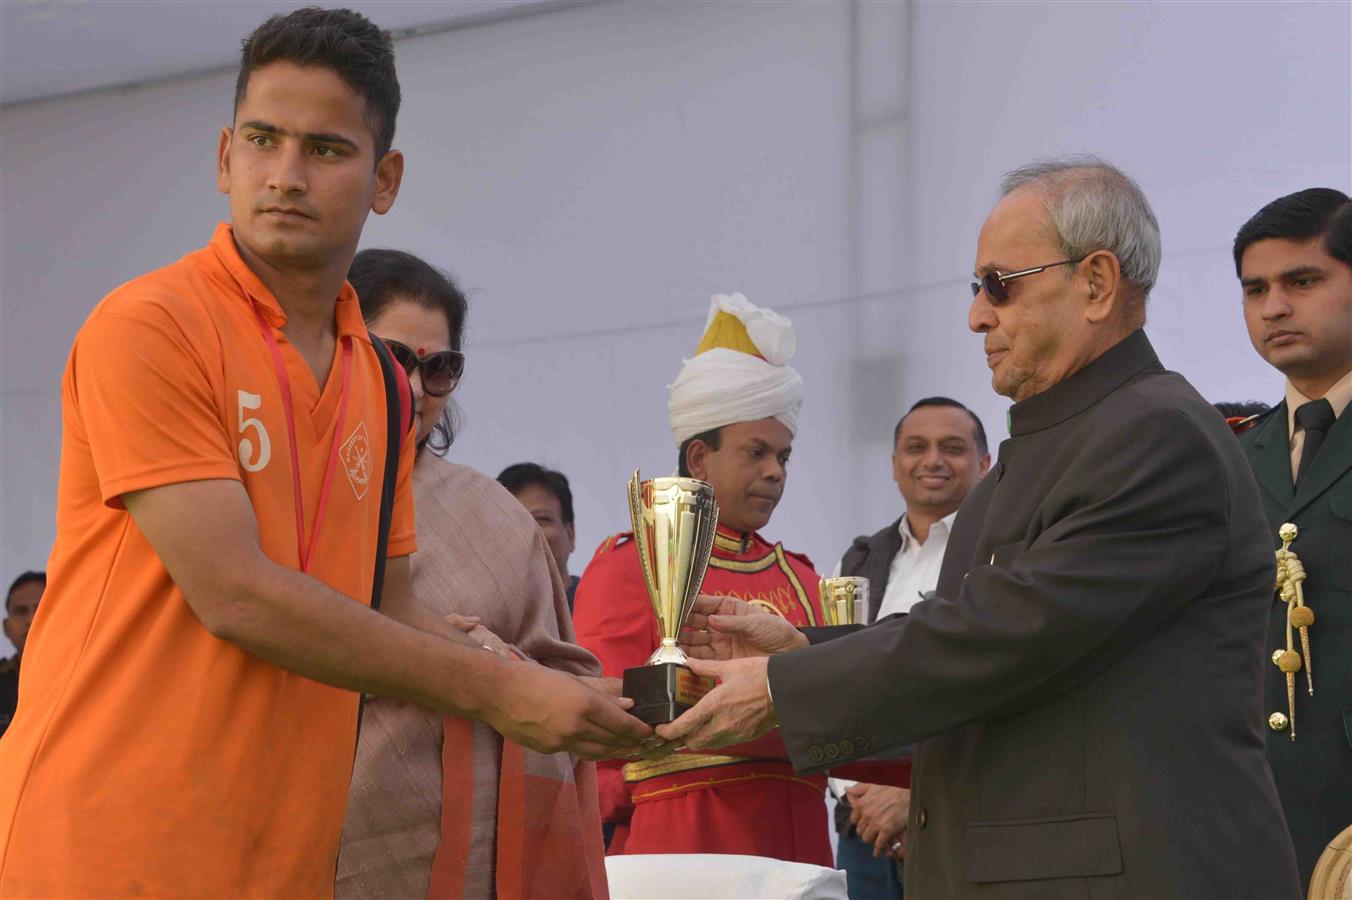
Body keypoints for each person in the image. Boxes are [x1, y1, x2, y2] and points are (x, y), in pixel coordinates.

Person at [0, 10, 647, 896]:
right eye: (263, 141)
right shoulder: (153, 326)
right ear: (225, 157)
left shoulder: (379, 383)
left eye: (326, 150)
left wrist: (554, 689)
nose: (286, 177)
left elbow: (389, 603)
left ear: (385, 179)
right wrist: (500, 695)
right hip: (106, 845)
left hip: (286, 858)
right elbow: (236, 593)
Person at [660, 157, 1301, 898]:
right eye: (976, 289)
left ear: (1095, 284)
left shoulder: (1156, 435)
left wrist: (783, 683)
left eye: (999, 285)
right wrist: (804, 644)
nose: (976, 315)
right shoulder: (1055, 444)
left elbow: (1007, 634)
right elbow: (969, 638)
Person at [338, 249, 609, 898]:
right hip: (318, 841)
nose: (414, 387)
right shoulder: (280, 493)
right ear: (338, 346)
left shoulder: (493, 515)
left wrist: (487, 656)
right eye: (393, 357)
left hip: (480, 860)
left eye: (440, 368)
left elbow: (566, 680)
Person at [572, 292, 831, 865]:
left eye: (784, 457)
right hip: (681, 847)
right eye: (757, 452)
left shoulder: (804, 578)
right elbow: (598, 726)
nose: (774, 471)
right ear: (697, 459)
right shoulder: (629, 563)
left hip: (799, 849)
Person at [1232, 187, 1352, 890]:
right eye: (1255, 289)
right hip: (1257, 817)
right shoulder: (1236, 458)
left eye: (1302, 281)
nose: (1274, 306)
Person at [831, 398, 990, 898]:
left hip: (959, 822)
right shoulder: (862, 559)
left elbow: (993, 687)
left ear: (985, 464)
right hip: (862, 831)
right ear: (896, 466)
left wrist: (912, 793)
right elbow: (838, 681)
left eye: (953, 447)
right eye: (916, 448)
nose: (933, 460)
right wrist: (857, 792)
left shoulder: (1004, 552)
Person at [498, 462, 580, 610]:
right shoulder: (483, 619)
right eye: (514, 522)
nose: (528, 533)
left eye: (541, 520)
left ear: (570, 534)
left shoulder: (604, 607)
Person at [0, 572, 44, 737]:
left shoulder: (88, 676)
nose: (31, 619)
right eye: (20, 611)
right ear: (6, 627)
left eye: (41, 608)